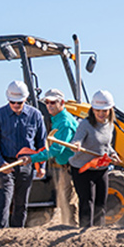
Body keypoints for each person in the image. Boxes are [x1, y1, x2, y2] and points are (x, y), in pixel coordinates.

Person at [0, 81, 46, 227]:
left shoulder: (35, 115)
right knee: (4, 199)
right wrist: (1, 162)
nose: (16, 105)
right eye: (13, 102)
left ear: (26, 99)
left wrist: (41, 165)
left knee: (21, 203)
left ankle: (17, 235)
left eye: (19, 102)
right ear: (8, 99)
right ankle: (0, 233)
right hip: (6, 163)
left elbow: (41, 143)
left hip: (27, 165)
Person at [20, 88, 79, 225]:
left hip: (72, 166)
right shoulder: (57, 119)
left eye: (53, 102)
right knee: (64, 199)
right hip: (66, 165)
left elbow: (54, 151)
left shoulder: (64, 123)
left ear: (62, 102)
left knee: (69, 201)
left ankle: (72, 228)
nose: (49, 105)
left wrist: (31, 158)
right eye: (47, 102)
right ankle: (67, 226)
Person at [69, 90, 120, 227]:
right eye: (98, 110)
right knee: (87, 201)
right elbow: (77, 139)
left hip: (101, 168)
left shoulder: (110, 125)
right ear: (93, 109)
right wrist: (76, 145)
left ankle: (98, 233)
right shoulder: (85, 124)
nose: (101, 114)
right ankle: (85, 232)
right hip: (83, 168)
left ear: (110, 110)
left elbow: (106, 145)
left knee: (101, 203)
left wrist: (113, 154)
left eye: (104, 111)